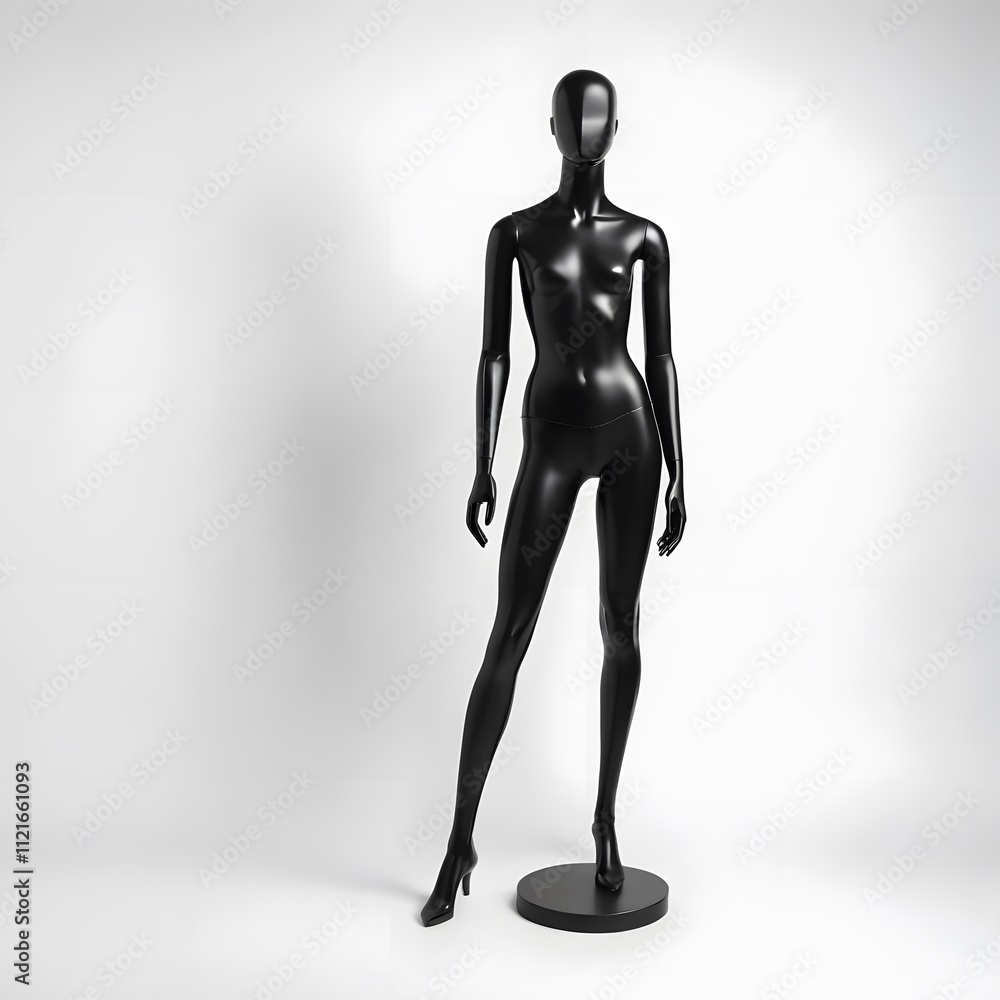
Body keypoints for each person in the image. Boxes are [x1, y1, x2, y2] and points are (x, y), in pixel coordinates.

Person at [421, 68, 686, 927]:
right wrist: (483, 463)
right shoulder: (515, 234)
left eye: (599, 117)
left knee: (621, 628)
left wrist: (680, 468)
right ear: (552, 128)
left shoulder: (643, 237)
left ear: (617, 130)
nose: (586, 131)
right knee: (509, 635)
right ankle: (459, 840)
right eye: (574, 117)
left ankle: (605, 820)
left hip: (630, 433)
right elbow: (494, 352)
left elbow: (662, 356)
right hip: (552, 442)